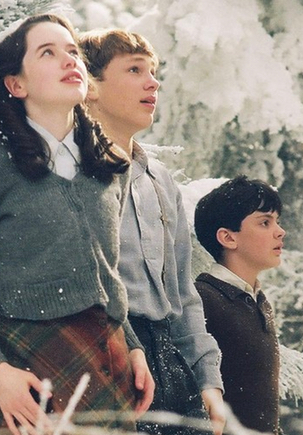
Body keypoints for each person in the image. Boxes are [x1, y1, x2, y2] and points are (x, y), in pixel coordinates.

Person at [0, 13, 154, 435]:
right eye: (48, 53)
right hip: (30, 370)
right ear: (16, 85)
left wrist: (136, 348)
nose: (69, 59)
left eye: (72, 51)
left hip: (115, 365)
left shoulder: (110, 166)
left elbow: (109, 277)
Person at [79, 29, 226, 435]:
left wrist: (208, 382)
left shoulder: (159, 180)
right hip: (101, 352)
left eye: (154, 71)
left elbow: (182, 296)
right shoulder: (73, 173)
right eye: (134, 69)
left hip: (169, 360)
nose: (153, 82)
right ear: (90, 87)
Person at [192, 176, 285, 434]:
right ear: (228, 238)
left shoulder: (259, 302)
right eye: (265, 222)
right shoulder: (202, 299)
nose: (280, 231)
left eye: (277, 221)